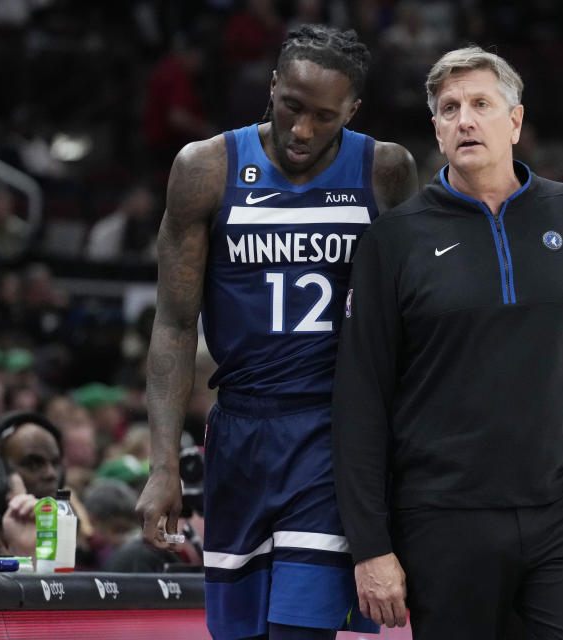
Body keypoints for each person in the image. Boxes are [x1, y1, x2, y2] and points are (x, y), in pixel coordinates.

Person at [331, 46, 563, 640]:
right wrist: (370, 547)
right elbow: (360, 403)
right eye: (449, 108)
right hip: (445, 519)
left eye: (481, 104)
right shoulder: (394, 239)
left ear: (516, 121)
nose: (464, 120)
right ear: (436, 127)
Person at [133, 24, 418, 640]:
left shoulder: (385, 169)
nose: (303, 130)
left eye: (324, 116)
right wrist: (162, 466)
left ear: (353, 110)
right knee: (242, 634)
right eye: (292, 107)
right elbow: (176, 324)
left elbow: (409, 325)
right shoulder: (206, 167)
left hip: (333, 434)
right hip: (238, 434)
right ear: (272, 87)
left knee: (300, 633)